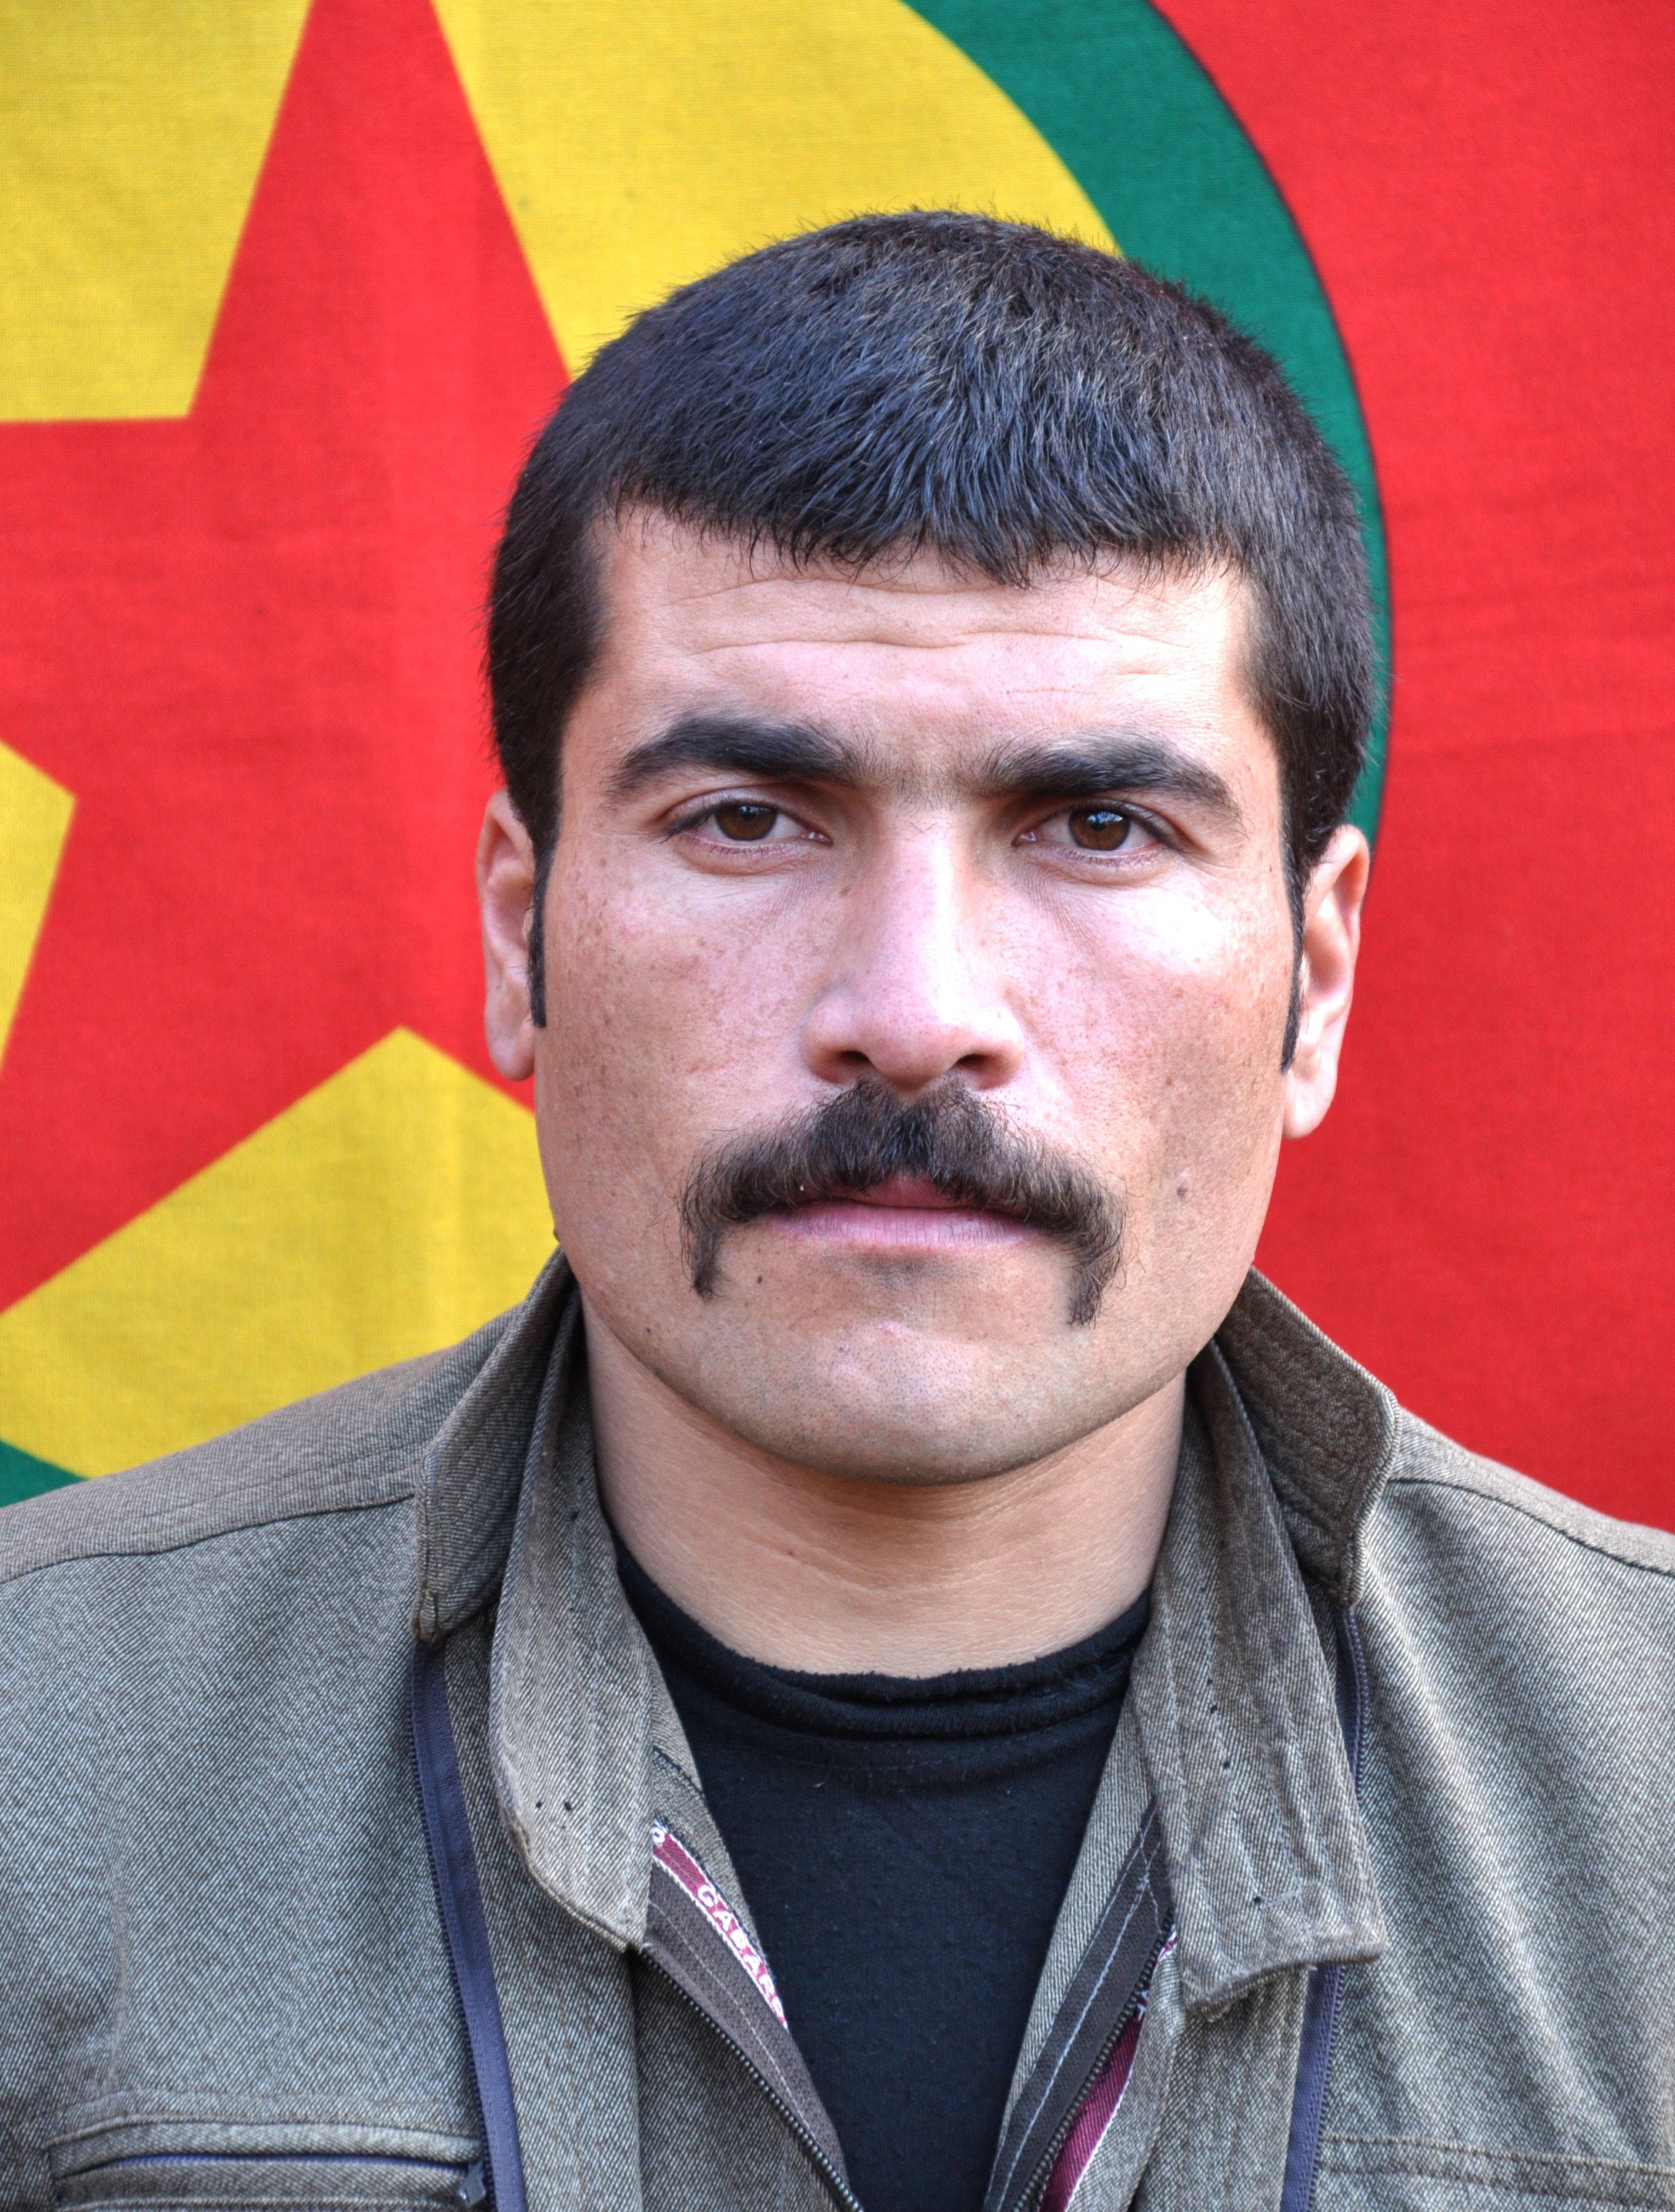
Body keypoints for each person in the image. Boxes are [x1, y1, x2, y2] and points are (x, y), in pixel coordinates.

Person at [1, 214, 1670, 2212]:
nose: (915, 1011)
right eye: (747, 820)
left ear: (1316, 981)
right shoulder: (36, 1757)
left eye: (1099, 827)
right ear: (523, 941)